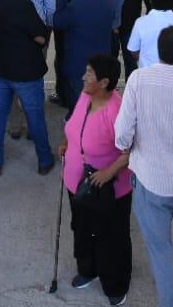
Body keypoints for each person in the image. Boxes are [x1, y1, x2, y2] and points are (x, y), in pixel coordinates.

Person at [115, 24, 173, 307]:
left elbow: (122, 133)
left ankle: (170, 302)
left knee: (160, 249)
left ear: (158, 51)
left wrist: (129, 148)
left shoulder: (138, 80)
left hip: (151, 179)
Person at [58, 53, 132, 305]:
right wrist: (67, 143)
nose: (83, 77)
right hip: (76, 183)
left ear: (104, 82)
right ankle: (87, 269)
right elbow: (74, 125)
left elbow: (129, 151)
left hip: (107, 189)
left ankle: (115, 285)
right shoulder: (84, 96)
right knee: (82, 229)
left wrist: (108, 172)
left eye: (89, 73)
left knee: (112, 237)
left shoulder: (117, 111)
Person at [0, 0, 55, 176]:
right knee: (35, 116)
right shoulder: (24, 5)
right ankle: (44, 160)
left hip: (1, 68)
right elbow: (41, 38)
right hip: (26, 71)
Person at [55, 0, 117, 112]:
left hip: (79, 67)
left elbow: (57, 21)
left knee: (79, 108)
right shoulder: (108, 0)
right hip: (101, 64)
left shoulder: (76, 6)